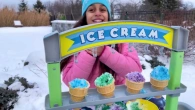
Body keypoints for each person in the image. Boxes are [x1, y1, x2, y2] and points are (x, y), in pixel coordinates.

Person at [61, 0, 165, 109]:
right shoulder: (75, 42)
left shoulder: (121, 39)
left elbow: (135, 70)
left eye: (102, 9)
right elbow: (70, 82)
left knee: (158, 102)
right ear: (85, 16)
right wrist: (89, 54)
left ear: (108, 15)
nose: (97, 13)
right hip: (89, 102)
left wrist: (105, 52)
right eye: (91, 10)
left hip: (120, 97)